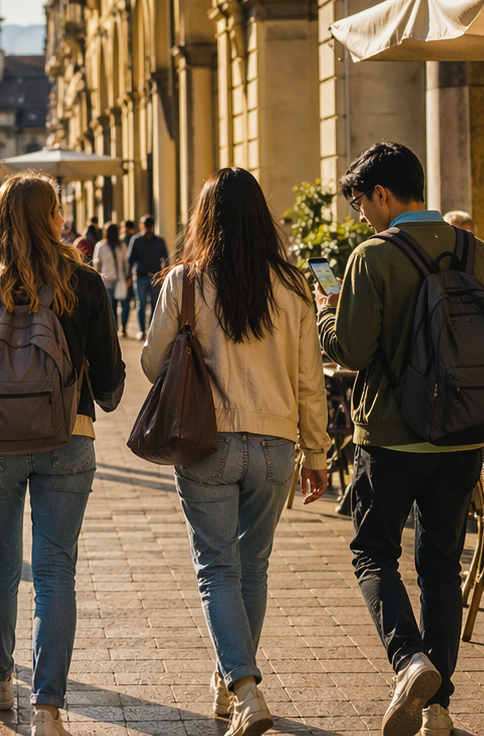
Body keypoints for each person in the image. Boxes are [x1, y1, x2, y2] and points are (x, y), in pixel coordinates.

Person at [316, 141, 484, 736]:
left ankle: (410, 660)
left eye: (359, 203)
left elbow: (349, 350)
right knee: (440, 565)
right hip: (463, 435)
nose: (361, 216)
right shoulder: (480, 253)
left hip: (392, 435)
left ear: (381, 193)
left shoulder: (372, 257)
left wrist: (328, 312)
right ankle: (437, 709)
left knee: (373, 551)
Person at [0, 171, 124, 736]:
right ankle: (48, 706)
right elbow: (110, 376)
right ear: (52, 217)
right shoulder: (82, 281)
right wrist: (101, 393)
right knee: (56, 569)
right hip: (69, 436)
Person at [143, 168, 331, 736]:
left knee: (216, 570)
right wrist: (318, 453)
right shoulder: (295, 284)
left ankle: (245, 688)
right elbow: (310, 380)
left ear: (205, 220)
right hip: (276, 445)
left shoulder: (185, 282)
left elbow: (153, 365)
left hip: (207, 444)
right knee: (252, 567)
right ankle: (231, 682)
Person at [128, 215, 170, 341]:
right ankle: (144, 330)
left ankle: (147, 331)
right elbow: (166, 259)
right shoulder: (138, 240)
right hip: (145, 276)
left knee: (149, 304)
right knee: (147, 304)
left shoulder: (155, 241)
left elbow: (130, 259)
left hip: (151, 276)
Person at [93, 221, 131, 332]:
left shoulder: (122, 246)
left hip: (120, 279)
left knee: (124, 304)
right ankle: (114, 328)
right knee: (111, 306)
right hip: (107, 280)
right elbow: (97, 264)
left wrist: (127, 276)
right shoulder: (101, 246)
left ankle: (123, 327)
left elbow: (126, 263)